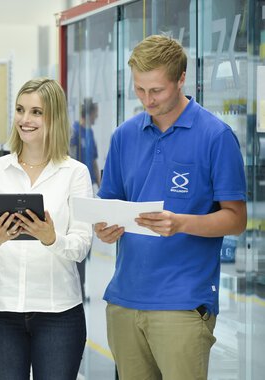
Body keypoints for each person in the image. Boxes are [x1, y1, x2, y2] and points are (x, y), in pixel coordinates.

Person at [95, 34, 247, 380]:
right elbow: (108, 202)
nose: (147, 100)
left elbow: (236, 219)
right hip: (124, 301)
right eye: (139, 90)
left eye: (157, 91)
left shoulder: (216, 137)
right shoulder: (124, 136)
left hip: (182, 304)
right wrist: (102, 227)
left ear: (181, 79)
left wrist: (180, 223)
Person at [0, 78, 92, 379]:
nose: (25, 119)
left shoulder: (75, 173)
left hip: (59, 314)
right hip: (0, 313)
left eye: (36, 112)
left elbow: (82, 245)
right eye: (20, 110)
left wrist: (52, 239)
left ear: (54, 117)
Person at [69, 97, 100, 302]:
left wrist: (99, 186)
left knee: (85, 241)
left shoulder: (89, 133)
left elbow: (94, 161)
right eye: (96, 113)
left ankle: (82, 287)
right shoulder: (73, 132)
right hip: (73, 194)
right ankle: (76, 288)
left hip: (87, 192)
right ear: (89, 113)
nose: (97, 117)